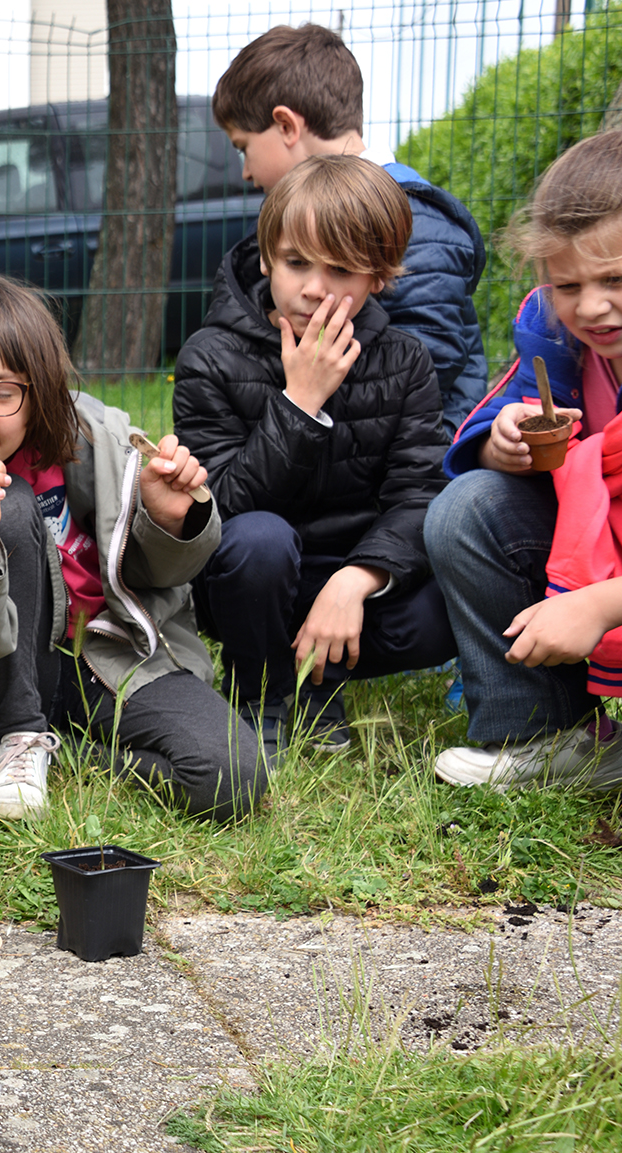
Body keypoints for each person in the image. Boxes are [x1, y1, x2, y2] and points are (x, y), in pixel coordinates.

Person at [0, 277, 261, 822]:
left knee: (233, 777)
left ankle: (52, 749)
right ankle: (16, 734)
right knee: (10, 502)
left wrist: (165, 517)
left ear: (39, 395)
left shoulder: (90, 437)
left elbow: (165, 571)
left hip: (104, 659)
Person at [426, 109, 622, 789]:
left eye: (616, 280)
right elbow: (498, 411)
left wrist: (598, 605)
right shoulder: (558, 333)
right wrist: (501, 442)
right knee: (469, 507)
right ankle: (552, 738)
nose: (589, 307)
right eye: (567, 285)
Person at [173, 155, 456, 759]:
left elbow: (420, 493)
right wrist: (299, 403)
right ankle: (263, 692)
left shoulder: (405, 362)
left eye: (343, 271)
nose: (314, 289)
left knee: (442, 609)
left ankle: (323, 686)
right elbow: (217, 506)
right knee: (259, 541)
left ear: (379, 277)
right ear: (269, 255)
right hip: (250, 578)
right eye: (297, 262)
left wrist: (358, 580)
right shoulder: (210, 357)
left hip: (350, 578)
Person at [213, 23, 488, 441]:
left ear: (286, 126)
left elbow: (428, 370)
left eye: (242, 146)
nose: (246, 171)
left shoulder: (418, 222)